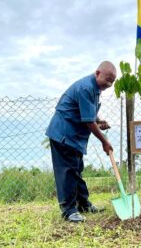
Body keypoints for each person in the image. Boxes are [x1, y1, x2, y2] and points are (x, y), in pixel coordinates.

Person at [46, 61, 116, 222]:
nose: (109, 84)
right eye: (107, 79)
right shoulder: (86, 88)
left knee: (77, 169)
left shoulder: (95, 89)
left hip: (74, 137)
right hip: (63, 134)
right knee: (67, 172)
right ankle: (69, 210)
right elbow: (88, 121)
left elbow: (89, 113)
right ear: (98, 73)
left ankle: (83, 204)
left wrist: (99, 120)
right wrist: (104, 141)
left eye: (112, 81)